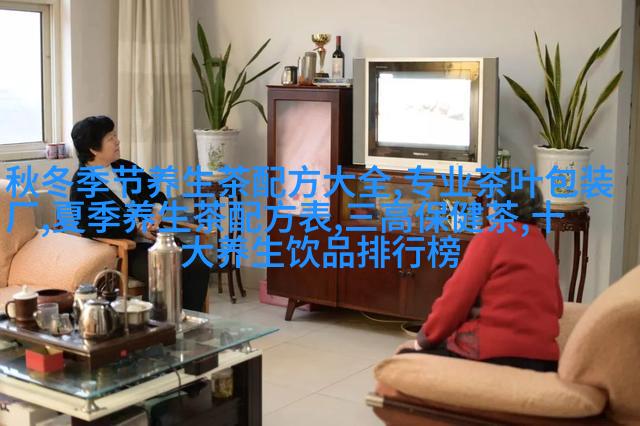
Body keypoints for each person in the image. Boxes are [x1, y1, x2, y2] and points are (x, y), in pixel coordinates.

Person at [395, 184, 563, 372]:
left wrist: (423, 340)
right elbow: (558, 308)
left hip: (492, 354)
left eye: (490, 202)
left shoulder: (490, 238)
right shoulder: (543, 247)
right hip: (545, 362)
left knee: (402, 360)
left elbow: (455, 300)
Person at [69, 115, 210, 311]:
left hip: (155, 240)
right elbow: (88, 226)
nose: (117, 141)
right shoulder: (81, 185)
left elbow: (157, 195)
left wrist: (156, 214)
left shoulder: (125, 168)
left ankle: (187, 320)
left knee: (198, 263)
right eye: (110, 138)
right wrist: (135, 228)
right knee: (163, 270)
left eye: (115, 136)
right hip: (127, 249)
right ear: (93, 148)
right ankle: (158, 325)